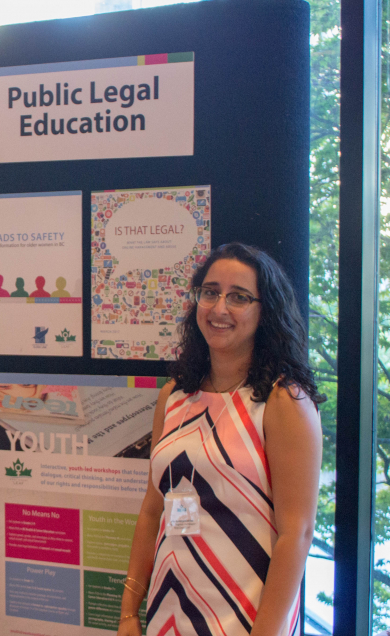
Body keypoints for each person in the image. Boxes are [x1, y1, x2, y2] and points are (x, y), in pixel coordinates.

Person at [119, 243, 322, 636]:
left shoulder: (284, 402)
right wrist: (130, 612)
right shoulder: (175, 395)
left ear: (266, 312)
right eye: (210, 292)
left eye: (239, 297)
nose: (219, 308)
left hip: (247, 618)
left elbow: (297, 534)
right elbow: (151, 509)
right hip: (171, 610)